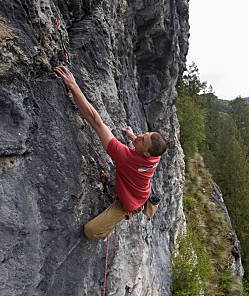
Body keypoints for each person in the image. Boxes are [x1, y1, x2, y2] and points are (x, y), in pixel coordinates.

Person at [54, 65, 168, 239]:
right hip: (140, 189)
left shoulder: (125, 157)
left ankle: (122, 217)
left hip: (130, 203)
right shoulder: (154, 156)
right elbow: (144, 148)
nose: (140, 136)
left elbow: (96, 121)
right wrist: (132, 136)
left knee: (90, 231)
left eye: (142, 140)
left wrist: (73, 85)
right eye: (144, 134)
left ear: (146, 154)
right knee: (138, 153)